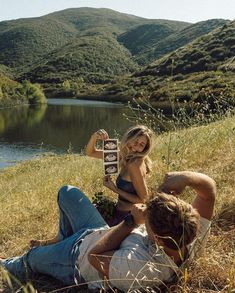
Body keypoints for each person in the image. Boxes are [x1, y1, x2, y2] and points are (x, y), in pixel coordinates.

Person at [0, 171, 216, 292]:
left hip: (76, 259)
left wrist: (131, 221)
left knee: (31, 258)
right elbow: (208, 193)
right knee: (67, 193)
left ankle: (7, 266)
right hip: (98, 231)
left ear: (158, 239)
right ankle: (60, 241)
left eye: (147, 217)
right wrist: (186, 178)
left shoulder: (142, 267)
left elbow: (94, 256)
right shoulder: (188, 234)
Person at [86, 125, 153, 226]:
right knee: (85, 213)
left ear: (144, 149)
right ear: (129, 138)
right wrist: (95, 137)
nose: (135, 146)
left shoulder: (135, 164)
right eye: (135, 141)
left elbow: (144, 200)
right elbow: (91, 153)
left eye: (141, 145)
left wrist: (115, 189)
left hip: (127, 217)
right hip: (117, 210)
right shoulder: (125, 156)